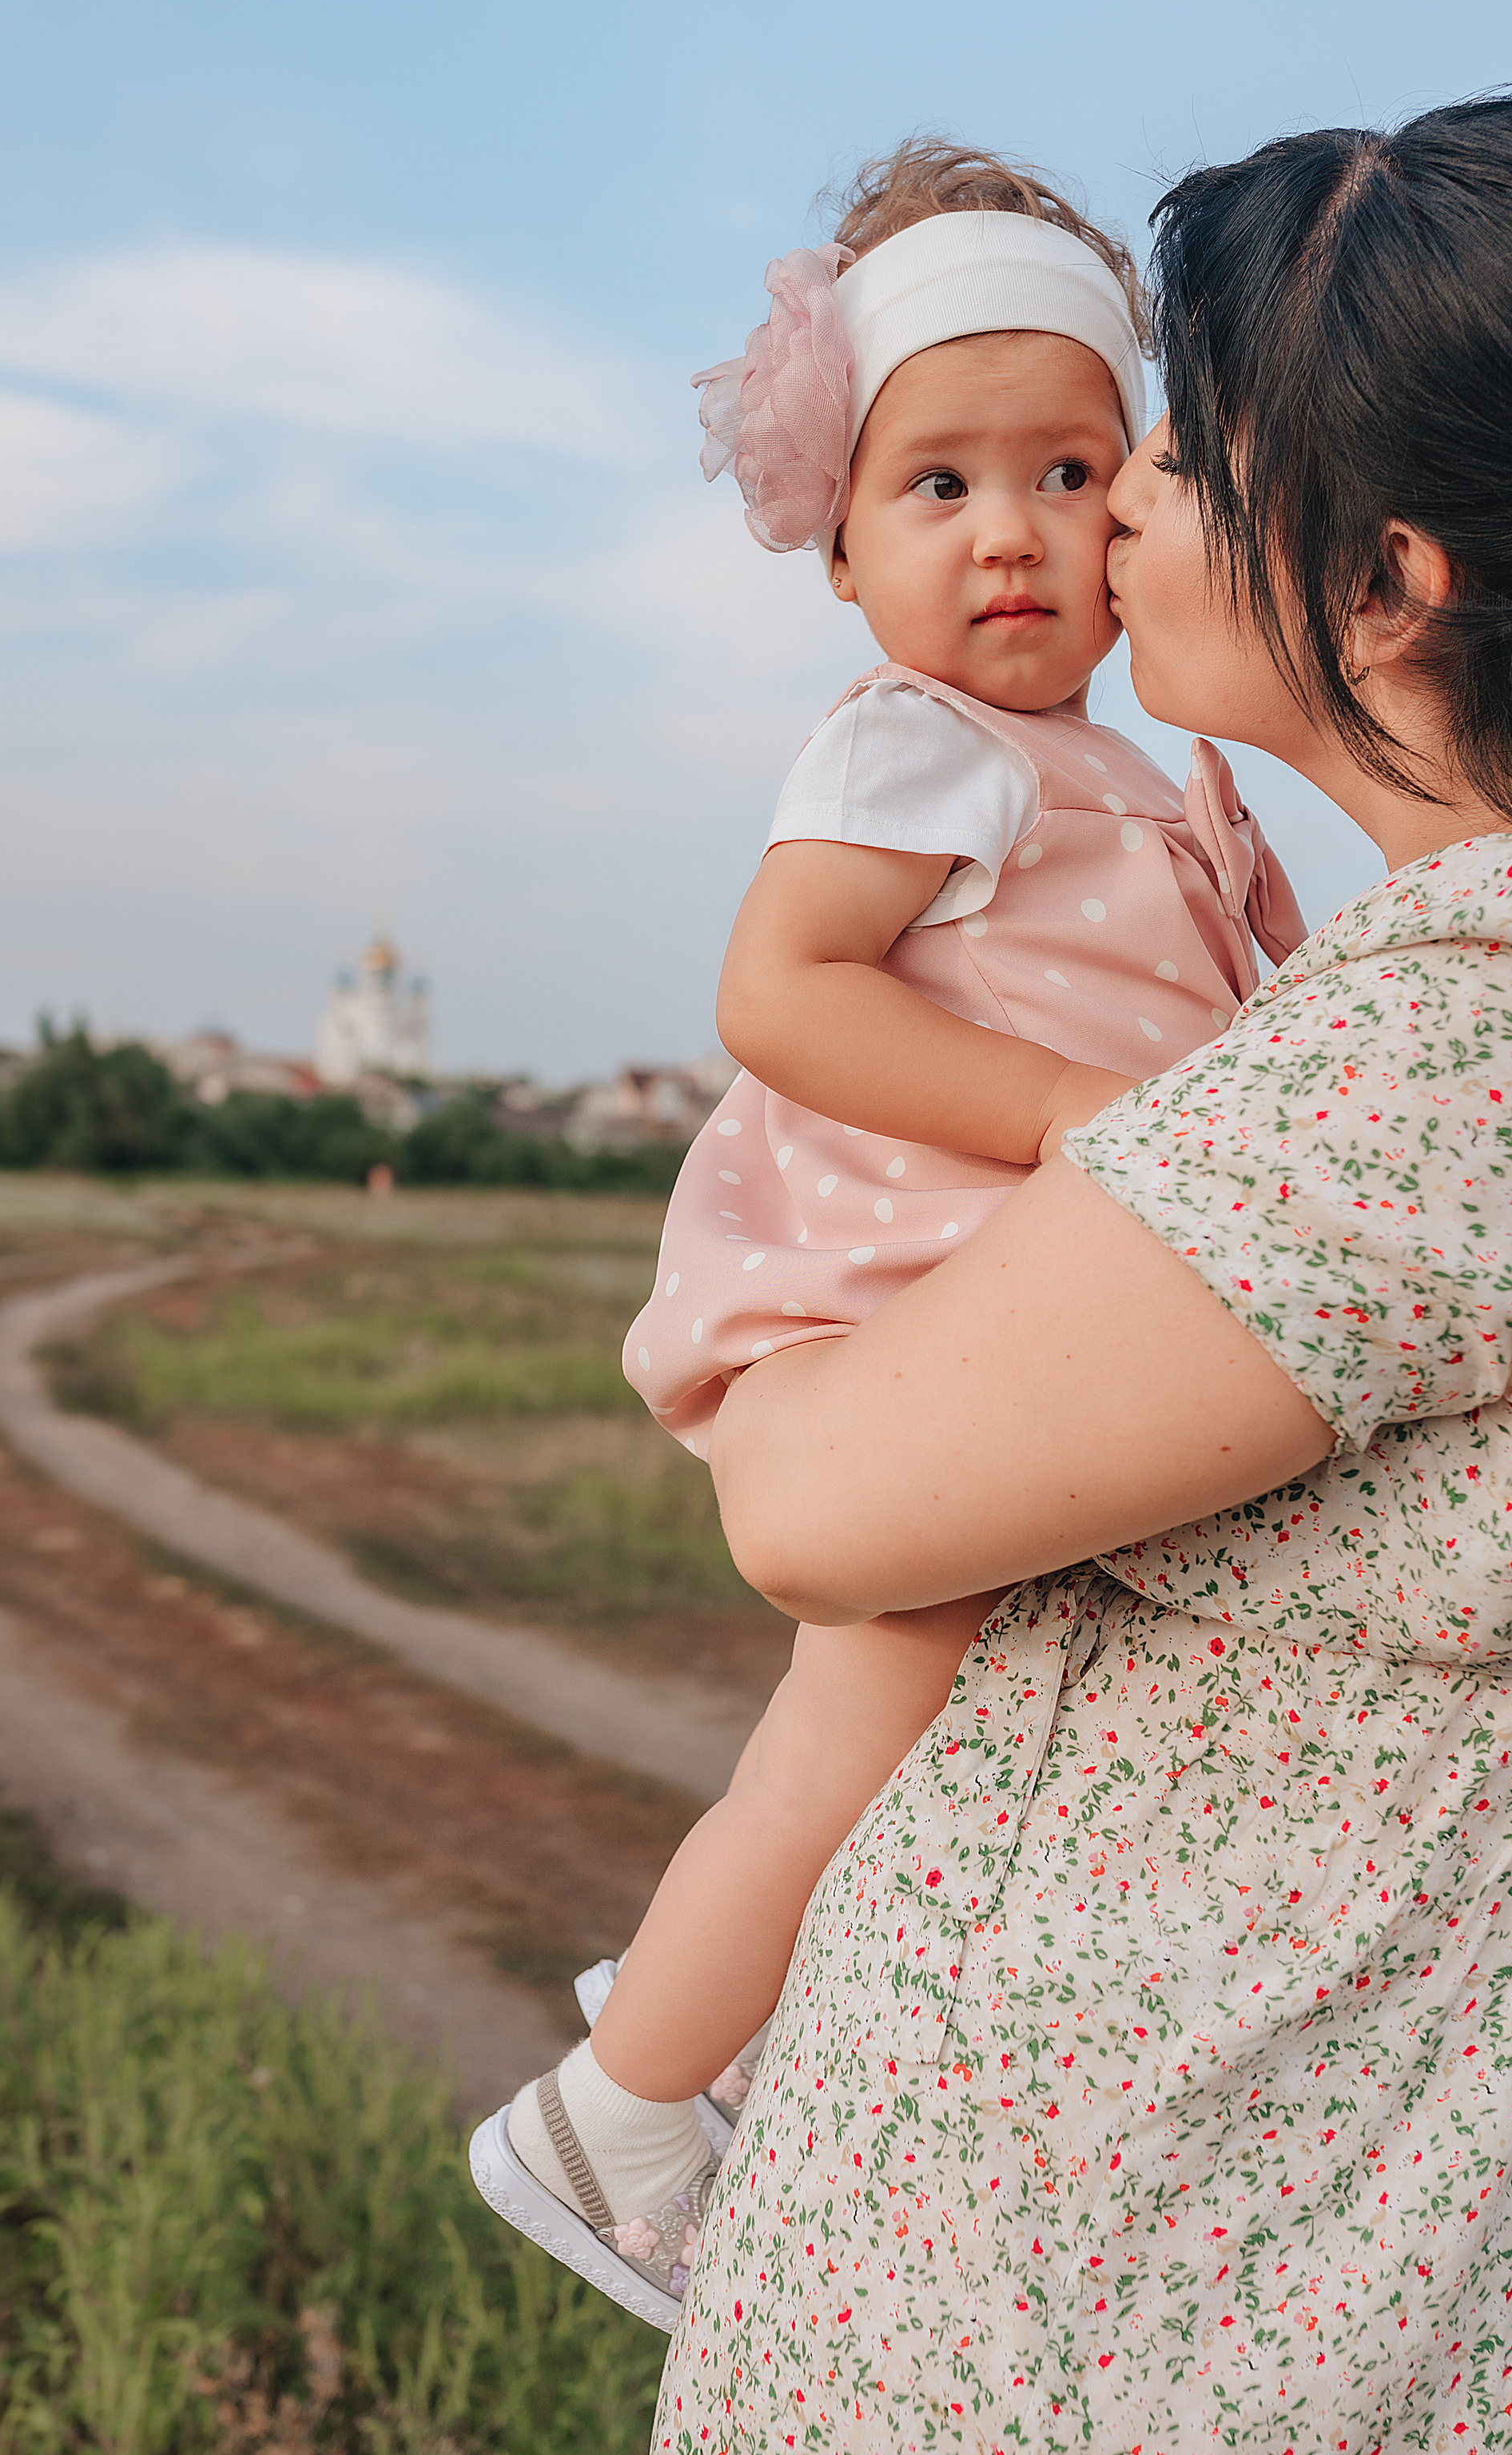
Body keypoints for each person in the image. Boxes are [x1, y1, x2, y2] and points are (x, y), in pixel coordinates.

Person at [650, 94, 1512, 2455]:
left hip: (1209, 2221)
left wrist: (812, 1309)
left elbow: (809, 1512)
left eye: (1176, 453)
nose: (1112, 514)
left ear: (1387, 580)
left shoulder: (1481, 1027)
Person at [469, 145, 1303, 2324]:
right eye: (937, 485)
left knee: (959, 1728)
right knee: (868, 1709)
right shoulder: (919, 750)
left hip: (1015, 1315)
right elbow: (779, 995)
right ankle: (618, 2107)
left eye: (1064, 472)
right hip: (882, 1304)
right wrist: (1070, 1120)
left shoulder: (1152, 780)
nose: (1007, 532)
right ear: (838, 543)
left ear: (1140, 506)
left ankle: (730, 2006)